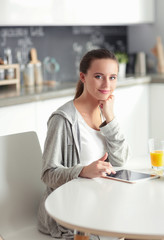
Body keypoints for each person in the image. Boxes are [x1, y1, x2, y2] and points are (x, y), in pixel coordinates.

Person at [37, 49, 130, 239]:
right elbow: (48, 174)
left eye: (112, 77)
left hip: (104, 208)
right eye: (98, 76)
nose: (107, 84)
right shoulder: (63, 120)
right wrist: (83, 171)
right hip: (73, 217)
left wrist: (110, 119)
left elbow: (121, 160)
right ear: (83, 77)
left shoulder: (106, 113)